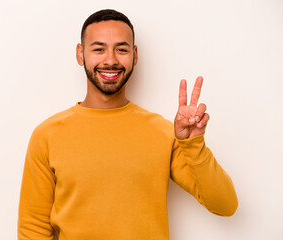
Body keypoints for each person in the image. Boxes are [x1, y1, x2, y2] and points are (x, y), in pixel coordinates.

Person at [18, 9, 238, 240]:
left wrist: (193, 144)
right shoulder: (47, 135)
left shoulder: (164, 133)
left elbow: (225, 205)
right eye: (99, 49)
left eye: (121, 49)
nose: (111, 60)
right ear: (80, 54)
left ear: (134, 55)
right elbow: (33, 228)